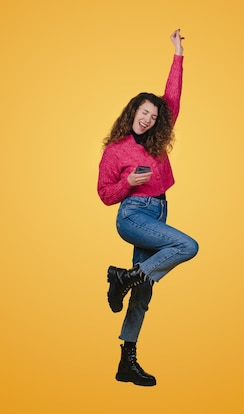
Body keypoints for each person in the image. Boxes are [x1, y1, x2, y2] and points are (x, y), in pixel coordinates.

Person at [96, 29, 199, 387]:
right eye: (144, 113)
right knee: (187, 246)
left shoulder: (157, 141)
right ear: (133, 112)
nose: (148, 120)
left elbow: (173, 96)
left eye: (154, 116)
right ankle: (122, 277)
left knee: (143, 292)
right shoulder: (116, 150)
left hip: (159, 212)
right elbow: (104, 194)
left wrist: (177, 54)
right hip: (133, 215)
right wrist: (128, 184)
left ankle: (127, 361)